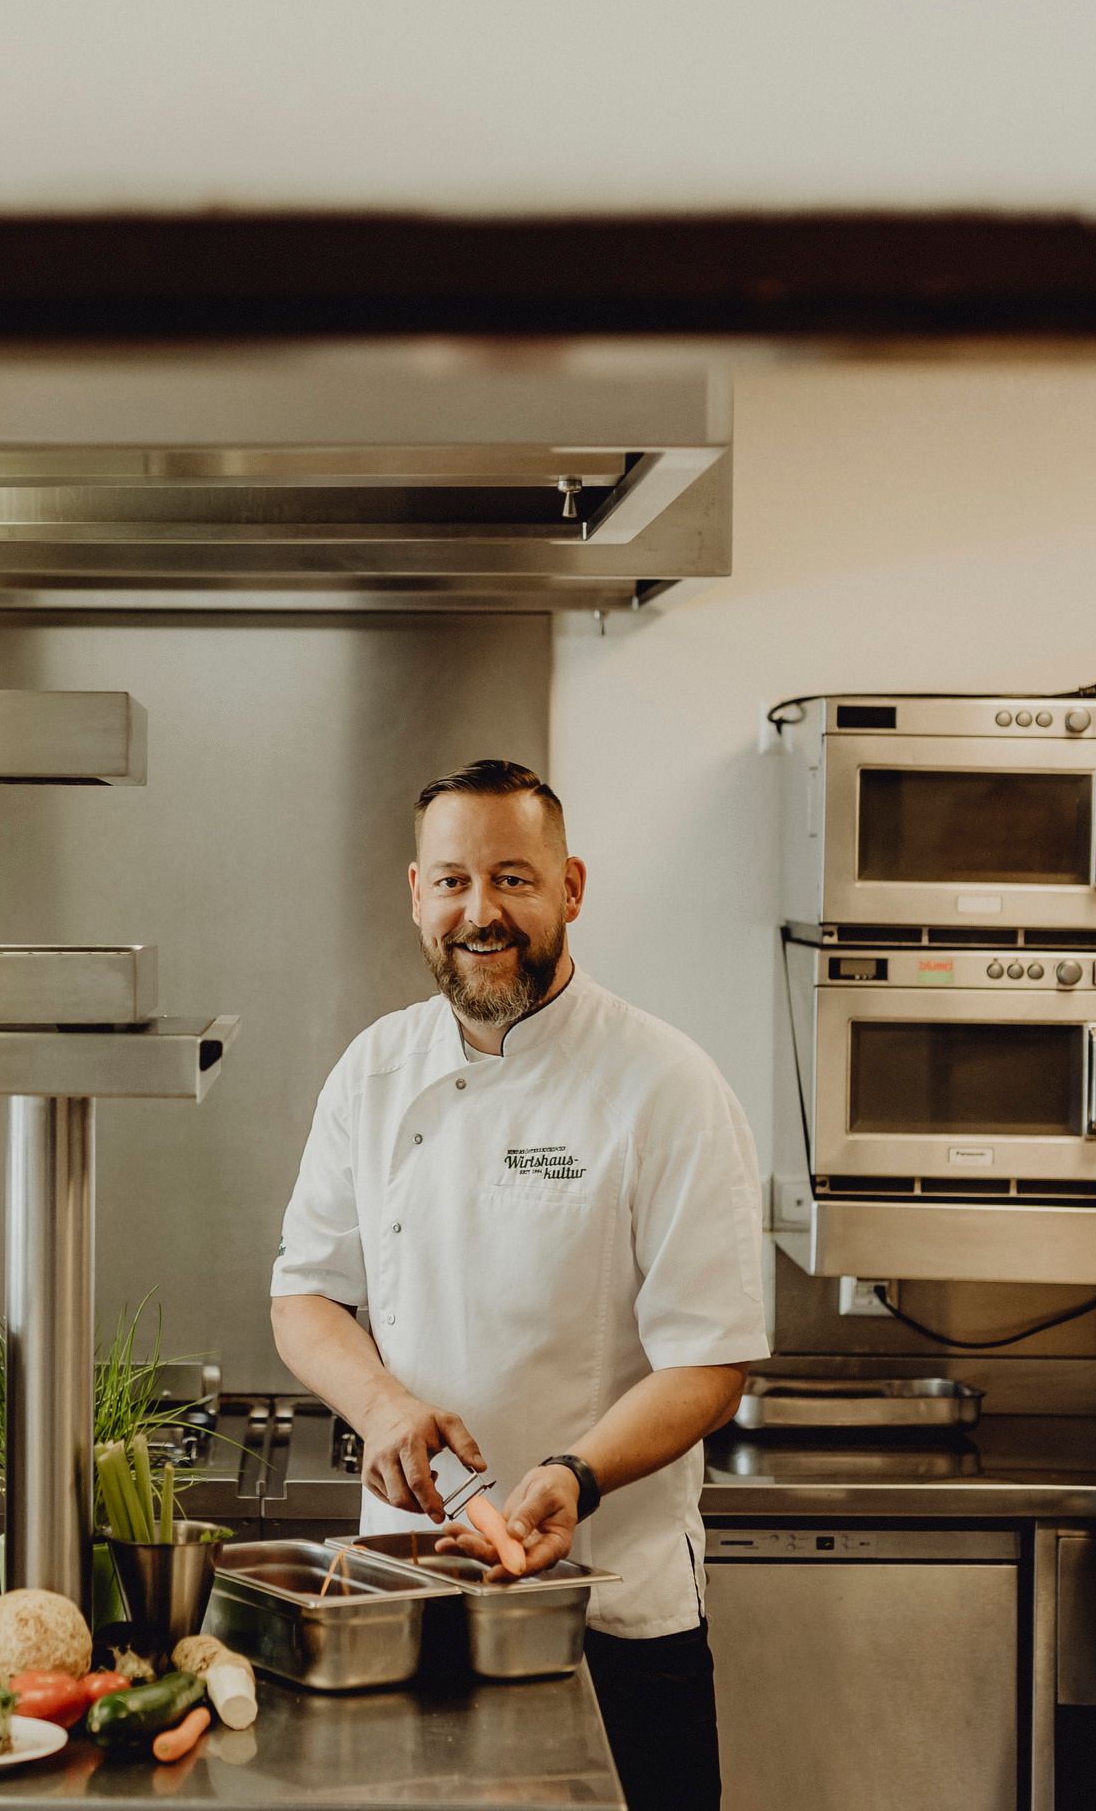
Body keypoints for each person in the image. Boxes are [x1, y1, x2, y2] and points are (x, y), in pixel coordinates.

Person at [270, 758, 766, 1809]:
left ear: (571, 887)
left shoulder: (666, 1083)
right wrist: (385, 1406)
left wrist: (574, 1475)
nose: (479, 911)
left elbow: (711, 1361)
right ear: (416, 892)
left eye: (513, 877)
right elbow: (305, 1294)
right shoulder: (373, 1070)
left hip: (609, 1610)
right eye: (451, 881)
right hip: (407, 1597)